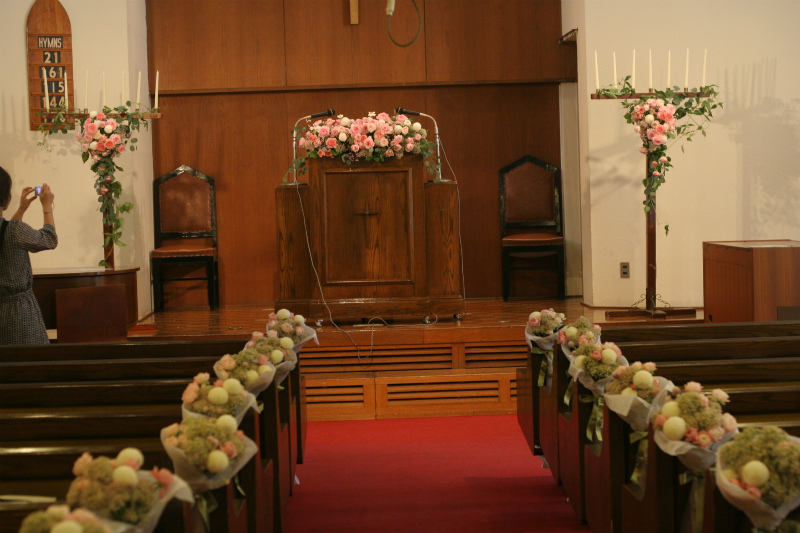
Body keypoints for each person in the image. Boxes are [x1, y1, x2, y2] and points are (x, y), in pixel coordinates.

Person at [0, 166, 58, 345]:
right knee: (28, 359)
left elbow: (6, 235)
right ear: (6, 198)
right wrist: (47, 206)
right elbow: (49, 239)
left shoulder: (12, 230)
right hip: (18, 314)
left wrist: (21, 209)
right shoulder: (16, 231)